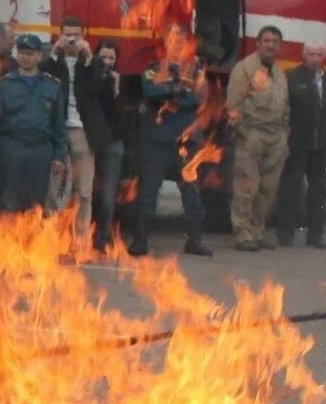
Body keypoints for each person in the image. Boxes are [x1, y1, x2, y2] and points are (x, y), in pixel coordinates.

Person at [0, 35, 66, 215]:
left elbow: (58, 124)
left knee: (36, 202)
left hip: (41, 150)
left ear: (39, 56)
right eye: (22, 53)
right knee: (10, 200)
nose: (25, 57)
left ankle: (32, 242)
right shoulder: (5, 85)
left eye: (30, 53)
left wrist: (59, 155)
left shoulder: (52, 86)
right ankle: (10, 241)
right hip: (12, 148)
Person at [129, 58, 212, 258]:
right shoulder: (155, 68)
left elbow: (199, 97)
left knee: (192, 196)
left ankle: (194, 241)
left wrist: (168, 93)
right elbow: (149, 91)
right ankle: (140, 242)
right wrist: (178, 89)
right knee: (148, 195)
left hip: (185, 146)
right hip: (157, 145)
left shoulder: (196, 71)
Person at [43, 17, 110, 238]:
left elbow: (98, 90)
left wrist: (90, 57)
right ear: (60, 34)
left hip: (83, 131)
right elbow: (44, 82)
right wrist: (54, 51)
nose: (71, 40)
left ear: (83, 36)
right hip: (59, 130)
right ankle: (55, 238)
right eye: (67, 34)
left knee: (84, 190)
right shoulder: (52, 61)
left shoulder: (91, 63)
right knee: (57, 189)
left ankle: (81, 240)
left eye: (76, 35)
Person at [226, 25, 290, 251]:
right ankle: (242, 233)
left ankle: (256, 231)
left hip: (276, 138)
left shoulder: (280, 73)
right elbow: (233, 105)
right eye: (266, 40)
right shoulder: (244, 69)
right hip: (252, 134)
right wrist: (243, 134)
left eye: (274, 41)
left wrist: (284, 136)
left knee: (267, 189)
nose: (270, 44)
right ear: (258, 43)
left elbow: (285, 107)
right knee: (246, 187)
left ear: (279, 46)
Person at [275, 42, 326, 248]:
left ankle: (315, 235)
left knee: (318, 191)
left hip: (320, 146)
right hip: (295, 143)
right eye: (311, 54)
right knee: (290, 189)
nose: (315, 58)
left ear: (324, 57)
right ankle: (285, 234)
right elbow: (282, 112)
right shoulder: (291, 78)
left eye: (319, 54)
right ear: (304, 56)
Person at [87, 41, 126, 251]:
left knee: (108, 193)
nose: (108, 62)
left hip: (112, 141)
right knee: (86, 190)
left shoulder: (118, 80)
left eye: (112, 58)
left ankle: (103, 237)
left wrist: (117, 89)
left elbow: (121, 113)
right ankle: (84, 233)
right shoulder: (89, 76)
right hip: (92, 139)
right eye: (103, 57)